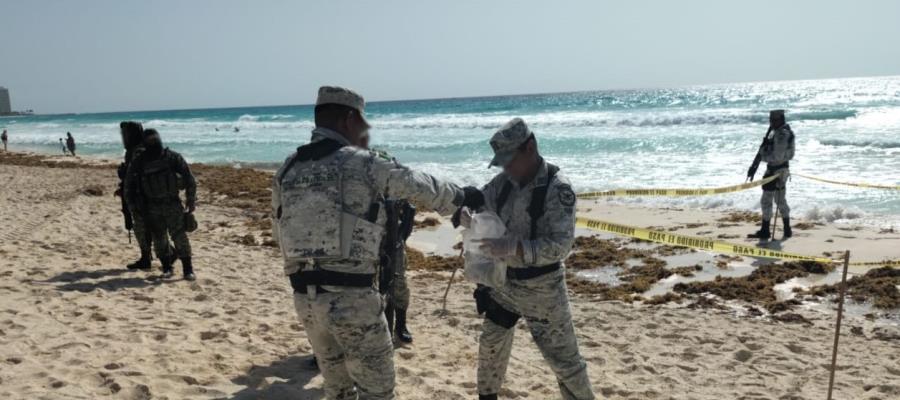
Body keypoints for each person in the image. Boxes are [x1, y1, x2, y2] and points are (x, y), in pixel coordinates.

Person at [272, 85, 484, 399]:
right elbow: (415, 184)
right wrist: (461, 195)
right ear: (347, 120)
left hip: (305, 301)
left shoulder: (287, 169)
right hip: (351, 300)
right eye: (362, 120)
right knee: (378, 391)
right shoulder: (362, 162)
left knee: (338, 390)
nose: (365, 128)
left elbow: (280, 231)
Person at [467, 118, 594, 400]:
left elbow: (560, 246)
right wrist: (465, 209)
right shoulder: (503, 183)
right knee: (491, 346)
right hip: (504, 286)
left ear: (531, 147)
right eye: (501, 162)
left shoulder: (557, 188)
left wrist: (515, 248)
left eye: (509, 159)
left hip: (543, 290)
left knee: (565, 364)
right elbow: (480, 203)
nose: (506, 167)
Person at [125, 128, 198, 280]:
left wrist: (191, 200)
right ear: (145, 142)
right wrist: (132, 206)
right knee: (159, 239)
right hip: (151, 206)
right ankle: (167, 268)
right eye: (150, 140)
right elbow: (129, 184)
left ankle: (188, 269)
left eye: (155, 139)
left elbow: (189, 178)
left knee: (179, 237)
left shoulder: (172, 157)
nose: (153, 142)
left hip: (172, 204)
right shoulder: (139, 162)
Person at [747, 110, 795, 240]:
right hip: (780, 170)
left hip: (776, 171)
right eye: (771, 120)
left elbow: (777, 156)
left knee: (768, 200)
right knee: (779, 200)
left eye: (773, 120)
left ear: (780, 119)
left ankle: (766, 230)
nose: (771, 123)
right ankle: (786, 229)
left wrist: (763, 154)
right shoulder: (780, 133)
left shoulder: (781, 134)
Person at [115, 121, 156, 270]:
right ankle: (148, 257)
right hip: (138, 195)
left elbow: (139, 174)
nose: (123, 138)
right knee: (144, 227)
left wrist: (125, 176)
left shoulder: (139, 151)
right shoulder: (134, 150)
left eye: (125, 134)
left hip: (143, 196)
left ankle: (151, 257)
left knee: (143, 227)